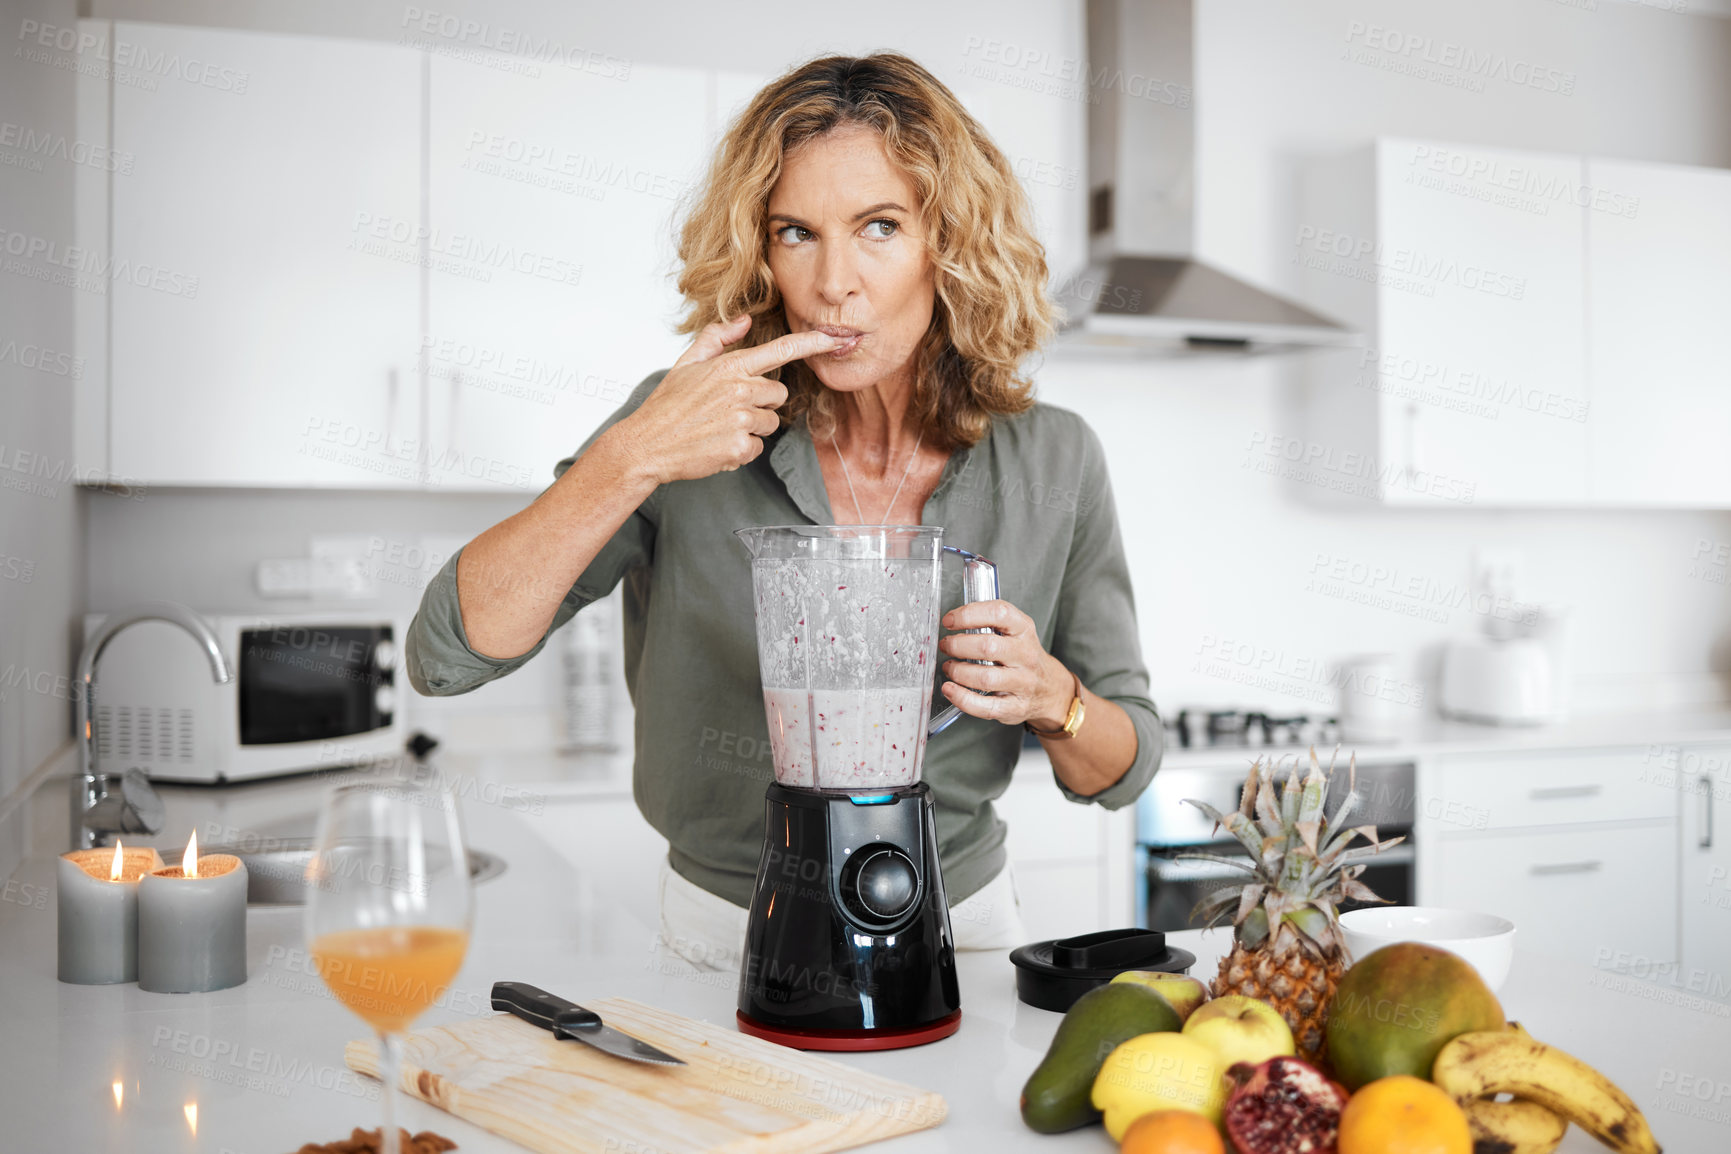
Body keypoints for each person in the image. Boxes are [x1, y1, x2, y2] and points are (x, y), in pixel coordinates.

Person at [405, 53, 1163, 969]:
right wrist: (633, 453)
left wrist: (1055, 699)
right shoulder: (686, 421)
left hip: (962, 928)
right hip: (731, 933)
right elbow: (446, 654)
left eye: (878, 226)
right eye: (795, 232)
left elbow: (1125, 770)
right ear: (761, 255)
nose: (832, 281)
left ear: (949, 243)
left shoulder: (1054, 455)